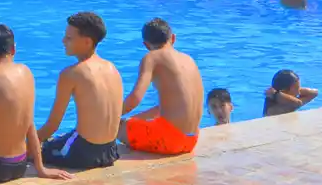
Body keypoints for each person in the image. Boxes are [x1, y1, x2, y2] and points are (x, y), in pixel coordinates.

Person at [0, 25, 68, 184]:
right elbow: (29, 123)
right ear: (13, 49)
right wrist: (40, 168)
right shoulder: (26, 73)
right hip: (19, 165)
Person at [37, 11, 122, 171]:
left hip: (83, 154)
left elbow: (52, 125)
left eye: (69, 38)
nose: (63, 41)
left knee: (38, 149)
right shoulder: (112, 68)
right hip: (111, 151)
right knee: (62, 138)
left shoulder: (71, 73)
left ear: (87, 42)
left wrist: (27, 143)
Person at [117, 18, 204, 156]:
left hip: (169, 141)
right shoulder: (189, 59)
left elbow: (135, 98)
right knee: (132, 123)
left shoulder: (152, 58)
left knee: (116, 127)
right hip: (191, 140)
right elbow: (168, 107)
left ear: (146, 45)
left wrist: (110, 116)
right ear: (173, 38)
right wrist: (135, 119)